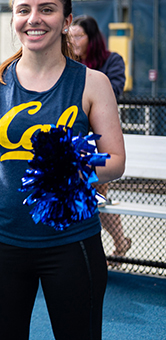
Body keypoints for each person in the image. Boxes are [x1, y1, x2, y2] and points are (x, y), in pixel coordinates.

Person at [0, 0, 126, 339]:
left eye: (47, 9)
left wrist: (72, 173)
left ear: (67, 21)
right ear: (13, 17)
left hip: (71, 241)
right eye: (23, 10)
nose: (34, 19)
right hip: (0, 240)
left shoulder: (92, 83)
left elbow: (115, 161)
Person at [70, 15, 130, 258]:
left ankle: (101, 248)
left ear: (92, 39)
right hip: (75, 139)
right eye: (70, 36)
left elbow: (113, 91)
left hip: (101, 139)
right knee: (93, 194)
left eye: (79, 36)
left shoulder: (111, 61)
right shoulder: (67, 62)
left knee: (93, 193)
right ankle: (119, 241)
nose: (73, 40)